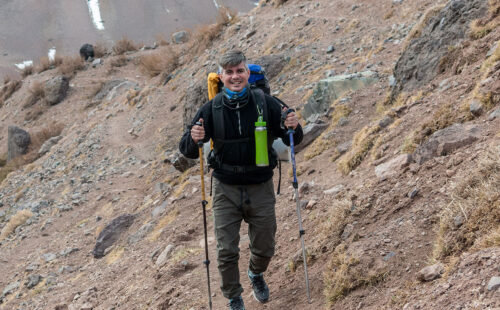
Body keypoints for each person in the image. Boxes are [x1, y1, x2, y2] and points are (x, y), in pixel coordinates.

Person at [179, 50, 303, 310]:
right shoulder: (211, 109)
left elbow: (295, 136)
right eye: (229, 72)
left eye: (240, 71)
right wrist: (194, 136)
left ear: (247, 73)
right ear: (221, 76)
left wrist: (293, 123)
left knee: (266, 245)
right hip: (225, 188)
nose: (235, 76)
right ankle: (234, 297)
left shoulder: (266, 102)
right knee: (226, 251)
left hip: (260, 185)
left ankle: (255, 274)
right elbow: (188, 151)